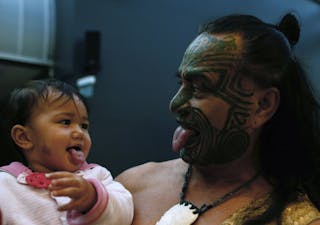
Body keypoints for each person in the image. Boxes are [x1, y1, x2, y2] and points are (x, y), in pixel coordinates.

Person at [116, 13, 320, 225]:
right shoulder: (129, 189)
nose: (175, 104)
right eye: (182, 84)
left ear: (263, 105)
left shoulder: (296, 220)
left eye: (200, 87)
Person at [0, 79, 133, 225]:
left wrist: (93, 198)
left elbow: (125, 213)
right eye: (65, 122)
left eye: (84, 125)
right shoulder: (5, 185)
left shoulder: (97, 176)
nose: (79, 132)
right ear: (24, 137)